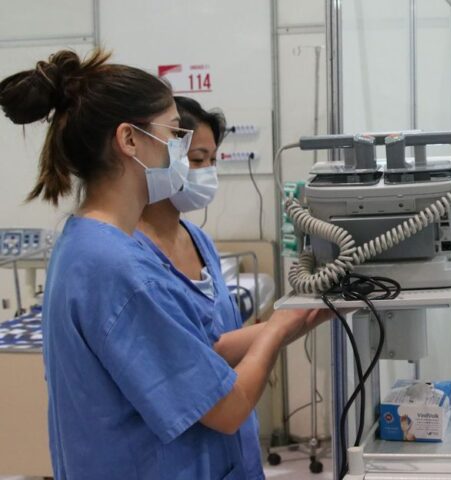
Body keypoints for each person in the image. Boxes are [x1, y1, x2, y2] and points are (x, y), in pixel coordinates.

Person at [0, 49, 328, 479]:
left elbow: (193, 357)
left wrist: (293, 319)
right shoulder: (116, 267)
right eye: (175, 135)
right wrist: (279, 332)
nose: (183, 151)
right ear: (129, 140)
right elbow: (226, 410)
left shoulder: (88, 246)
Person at [134, 96, 289, 479]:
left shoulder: (198, 240)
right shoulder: (131, 256)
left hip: (233, 453)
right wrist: (279, 330)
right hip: (178, 455)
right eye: (197, 159)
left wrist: (296, 317)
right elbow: (188, 374)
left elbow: (216, 344)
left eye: (213, 160)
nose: (206, 172)